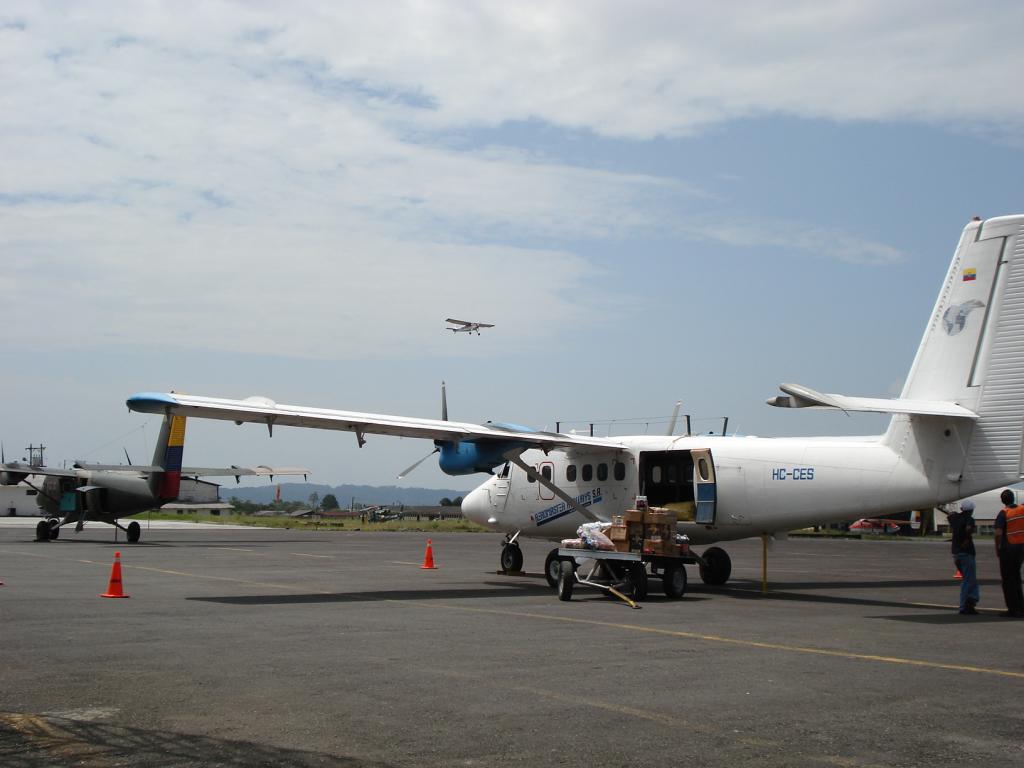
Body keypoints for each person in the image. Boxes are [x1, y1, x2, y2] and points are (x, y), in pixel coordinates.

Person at [993, 489, 1024, 618]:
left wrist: (997, 548)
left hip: (1008, 549)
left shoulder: (1004, 513)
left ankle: (1013, 608)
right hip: (1021, 547)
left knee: (1008, 580)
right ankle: (1021, 607)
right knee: (1016, 578)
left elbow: (998, 533)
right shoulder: (1021, 509)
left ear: (1002, 500)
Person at [947, 500, 979, 614]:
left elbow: (949, 515)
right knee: (969, 579)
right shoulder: (969, 519)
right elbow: (969, 529)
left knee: (968, 578)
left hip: (956, 552)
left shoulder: (955, 518)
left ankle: (970, 602)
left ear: (962, 509)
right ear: (971, 510)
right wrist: (967, 538)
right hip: (966, 552)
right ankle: (965, 605)